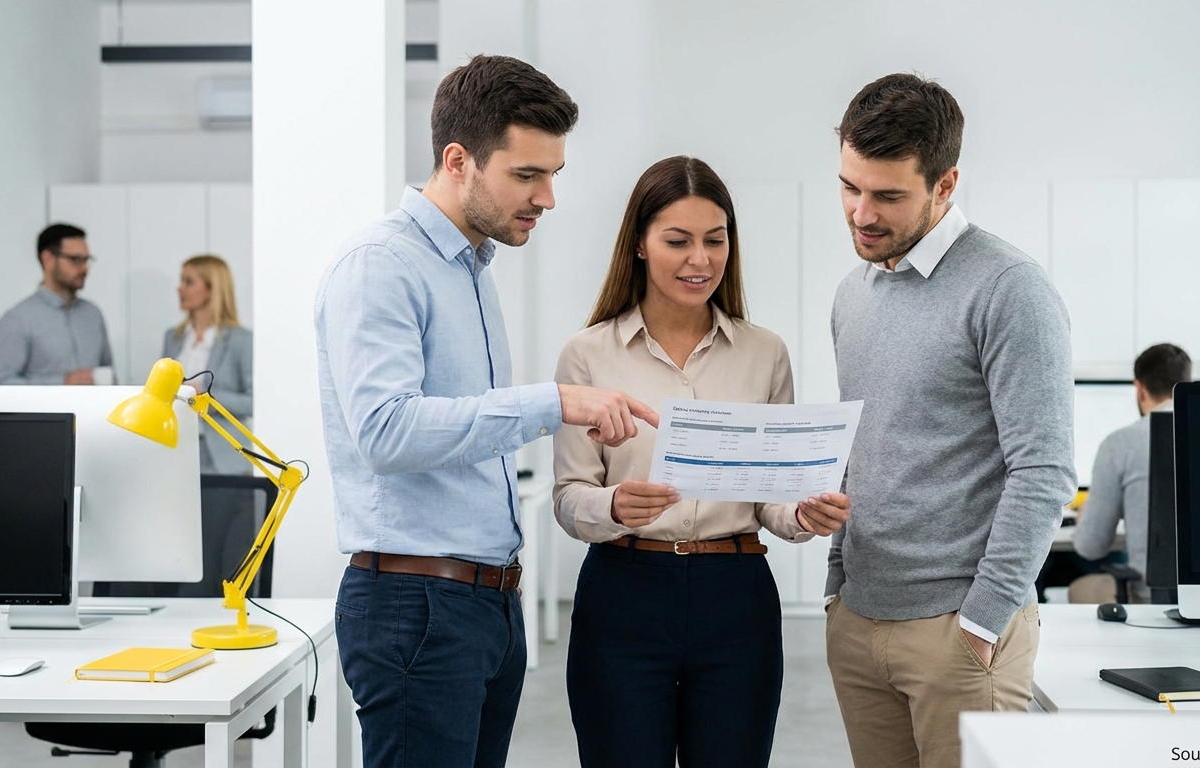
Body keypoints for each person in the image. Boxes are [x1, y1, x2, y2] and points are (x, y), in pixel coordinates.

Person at [315, 54, 657, 768]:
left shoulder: (471, 270)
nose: (547, 198)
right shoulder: (384, 266)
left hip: (484, 603)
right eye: (527, 175)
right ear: (458, 159)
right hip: (417, 604)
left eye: (553, 175)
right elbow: (385, 430)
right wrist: (553, 403)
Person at [553, 156, 851, 768]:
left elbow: (772, 497)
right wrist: (612, 504)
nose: (700, 259)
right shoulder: (587, 354)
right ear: (638, 244)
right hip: (623, 594)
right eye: (678, 241)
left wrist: (804, 512)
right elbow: (568, 495)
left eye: (715, 240)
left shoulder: (764, 353)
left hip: (735, 597)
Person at [823, 73, 1075, 768]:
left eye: (888, 196)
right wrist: (836, 586)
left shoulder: (1008, 289)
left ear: (945, 183)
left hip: (958, 635)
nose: (861, 213)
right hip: (860, 619)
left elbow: (1045, 469)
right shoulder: (854, 293)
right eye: (849, 187)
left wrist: (984, 618)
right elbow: (863, 445)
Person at [1071, 343, 1192, 603]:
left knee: (1079, 587)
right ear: (1188, 383)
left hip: (1150, 599)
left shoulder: (1120, 444)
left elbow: (1090, 547)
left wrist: (1086, 516)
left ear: (1139, 388)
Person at [162, 254, 253, 476]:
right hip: (176, 451)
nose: (179, 288)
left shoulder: (241, 340)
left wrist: (207, 397)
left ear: (213, 289)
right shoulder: (173, 338)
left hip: (224, 458)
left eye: (188, 282)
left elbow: (254, 402)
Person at [0, 223, 113, 385]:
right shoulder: (17, 320)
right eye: (75, 260)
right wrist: (62, 383)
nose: (84, 268)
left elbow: (108, 372)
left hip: (96, 411)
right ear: (48, 259)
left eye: (86, 260)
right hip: (42, 411)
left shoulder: (93, 314)